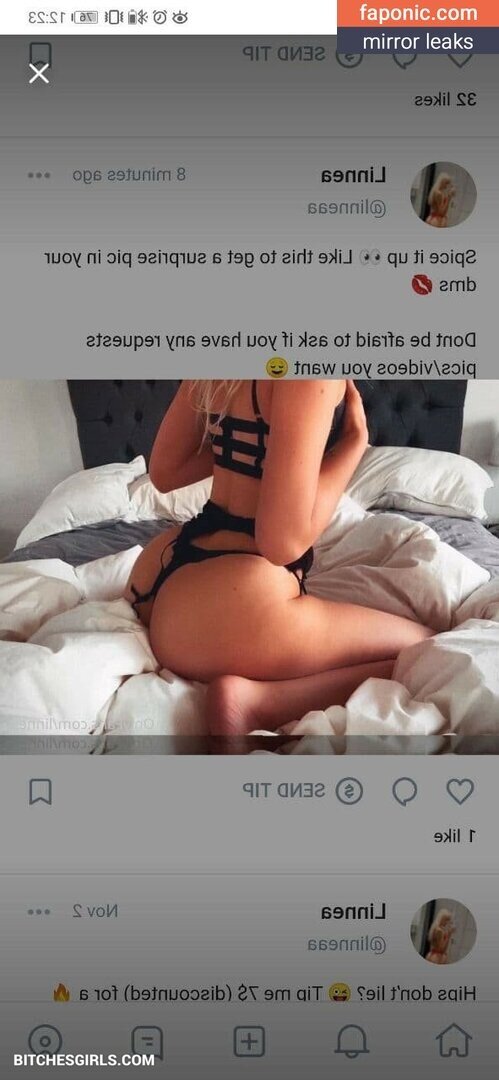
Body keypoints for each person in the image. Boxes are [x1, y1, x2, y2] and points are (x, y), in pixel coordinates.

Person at [125, 379, 433, 735]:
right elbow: (282, 543)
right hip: (234, 599)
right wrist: (352, 445)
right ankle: (258, 703)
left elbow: (165, 471)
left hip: (160, 568)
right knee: (427, 648)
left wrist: (250, 445)